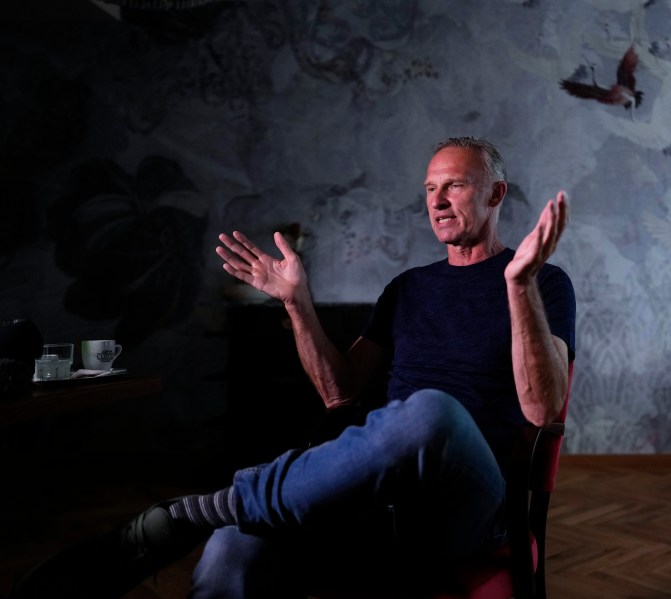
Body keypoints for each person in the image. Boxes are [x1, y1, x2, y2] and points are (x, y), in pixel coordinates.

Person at [14, 136, 576, 598]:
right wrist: (297, 304)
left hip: (470, 504)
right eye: (429, 188)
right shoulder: (407, 289)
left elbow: (542, 407)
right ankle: (215, 518)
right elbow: (339, 394)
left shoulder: (542, 282)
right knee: (232, 548)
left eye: (454, 185)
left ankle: (196, 510)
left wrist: (518, 284)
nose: (437, 200)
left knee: (430, 412)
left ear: (496, 192)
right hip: (380, 497)